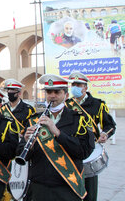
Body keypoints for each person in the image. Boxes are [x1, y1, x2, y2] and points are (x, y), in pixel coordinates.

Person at [17, 74, 94, 201]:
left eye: (57, 92)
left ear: (66, 96)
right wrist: (26, 142)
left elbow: (84, 151)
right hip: (39, 186)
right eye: (49, 92)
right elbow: (20, 153)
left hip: (66, 187)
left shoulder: (79, 119)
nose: (52, 95)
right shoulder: (34, 120)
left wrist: (57, 133)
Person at [66, 71, 116, 201]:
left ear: (85, 87)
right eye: (74, 84)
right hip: (69, 148)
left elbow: (110, 125)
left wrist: (104, 134)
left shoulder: (97, 104)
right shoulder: (67, 105)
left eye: (79, 84)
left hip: (89, 149)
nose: (75, 87)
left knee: (90, 190)